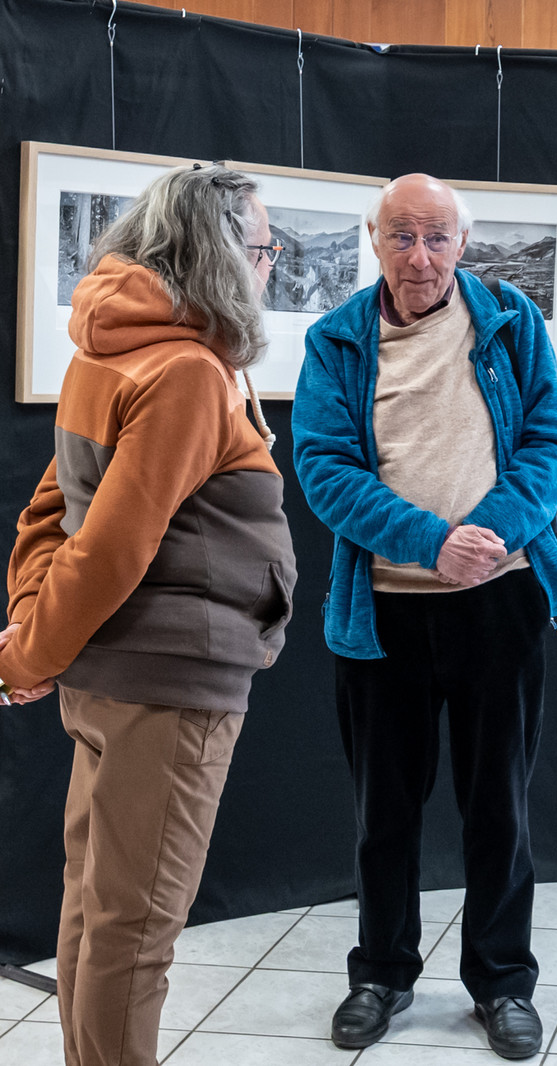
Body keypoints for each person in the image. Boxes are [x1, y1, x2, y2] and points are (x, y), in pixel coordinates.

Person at [0, 162, 296, 1066]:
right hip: (169, 685)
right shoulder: (186, 372)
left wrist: (30, 634)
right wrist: (26, 654)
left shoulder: (108, 348)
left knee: (97, 910)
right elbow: (110, 547)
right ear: (214, 252)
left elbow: (49, 512)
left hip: (111, 679)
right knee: (134, 934)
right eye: (259, 247)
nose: (270, 265)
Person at [292, 173, 557, 1061]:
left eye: (437, 237)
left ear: (464, 243)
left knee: (498, 804)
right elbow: (324, 470)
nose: (419, 256)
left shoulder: (510, 322)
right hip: (383, 614)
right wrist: (432, 543)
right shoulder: (336, 339)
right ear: (374, 240)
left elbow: (555, 440)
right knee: (384, 809)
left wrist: (490, 532)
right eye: (401, 236)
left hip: (499, 605)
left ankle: (502, 983)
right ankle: (380, 973)